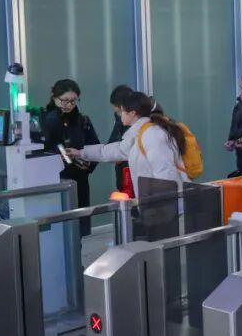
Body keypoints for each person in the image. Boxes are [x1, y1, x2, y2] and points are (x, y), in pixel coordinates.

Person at [71, 91, 186, 199]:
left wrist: (161, 207)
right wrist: (80, 153)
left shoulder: (152, 134)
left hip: (164, 204)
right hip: (153, 203)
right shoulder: (139, 134)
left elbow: (165, 174)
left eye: (121, 112)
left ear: (132, 113)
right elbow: (114, 151)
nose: (119, 116)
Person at [41, 79, 100, 232]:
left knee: (77, 229)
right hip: (53, 181)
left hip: (78, 181)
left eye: (73, 101)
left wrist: (87, 163)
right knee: (56, 230)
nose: (68, 105)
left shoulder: (83, 121)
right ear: (54, 98)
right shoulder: (44, 120)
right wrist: (57, 155)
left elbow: (95, 147)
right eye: (64, 101)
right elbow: (40, 149)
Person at [106, 84, 134, 193]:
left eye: (118, 112)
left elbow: (115, 155)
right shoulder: (121, 122)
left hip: (134, 180)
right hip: (124, 179)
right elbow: (111, 149)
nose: (118, 115)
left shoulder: (137, 127)